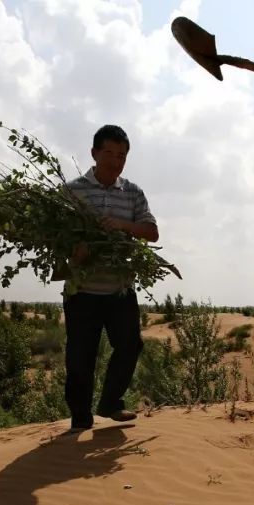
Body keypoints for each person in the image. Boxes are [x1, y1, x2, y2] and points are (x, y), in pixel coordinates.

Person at [62, 125, 159, 432]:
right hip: (82, 289)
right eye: (109, 153)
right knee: (80, 358)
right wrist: (73, 250)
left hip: (120, 289)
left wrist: (121, 224)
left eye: (122, 155)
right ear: (94, 153)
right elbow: (54, 236)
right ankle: (80, 418)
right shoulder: (73, 191)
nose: (115, 161)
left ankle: (111, 403)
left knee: (130, 345)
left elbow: (151, 231)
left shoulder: (133, 193)